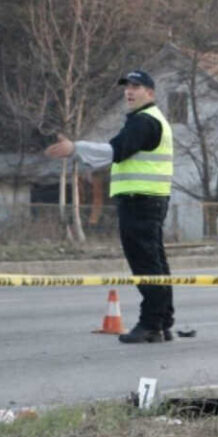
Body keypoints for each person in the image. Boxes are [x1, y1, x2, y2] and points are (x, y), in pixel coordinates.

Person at [45, 69, 175, 344]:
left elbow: (115, 150)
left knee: (146, 265)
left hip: (140, 201)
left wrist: (75, 148)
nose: (129, 91)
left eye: (136, 87)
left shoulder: (143, 122)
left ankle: (152, 324)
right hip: (149, 199)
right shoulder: (149, 120)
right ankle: (162, 322)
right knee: (155, 262)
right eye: (126, 86)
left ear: (150, 93)